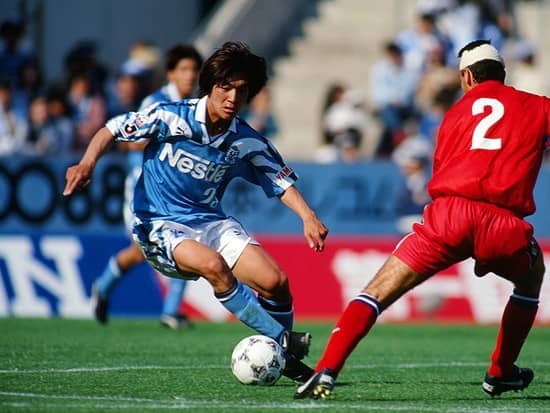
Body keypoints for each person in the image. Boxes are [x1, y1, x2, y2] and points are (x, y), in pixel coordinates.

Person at [295, 39, 547, 399]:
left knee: (376, 292)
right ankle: (500, 371)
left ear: (466, 77)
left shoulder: (453, 116)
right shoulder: (538, 106)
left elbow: (442, 171)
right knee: (532, 279)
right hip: (503, 224)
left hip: (450, 216)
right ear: (503, 74)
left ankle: (326, 370)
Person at [63, 41, 328, 383]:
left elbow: (280, 180)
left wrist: (308, 216)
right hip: (159, 224)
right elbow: (112, 128)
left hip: (210, 221)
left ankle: (283, 358)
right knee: (214, 266)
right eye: (225, 87)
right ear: (210, 85)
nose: (232, 97)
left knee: (275, 282)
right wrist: (86, 163)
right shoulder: (171, 116)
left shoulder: (247, 140)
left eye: (241, 90)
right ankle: (283, 342)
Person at [92, 44, 203, 329]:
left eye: (194, 69)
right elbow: (134, 142)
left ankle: (171, 311)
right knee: (142, 250)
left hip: (175, 191)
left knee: (186, 240)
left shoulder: (195, 106)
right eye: (184, 69)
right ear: (171, 74)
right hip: (144, 190)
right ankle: (103, 286)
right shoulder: (157, 102)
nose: (190, 75)